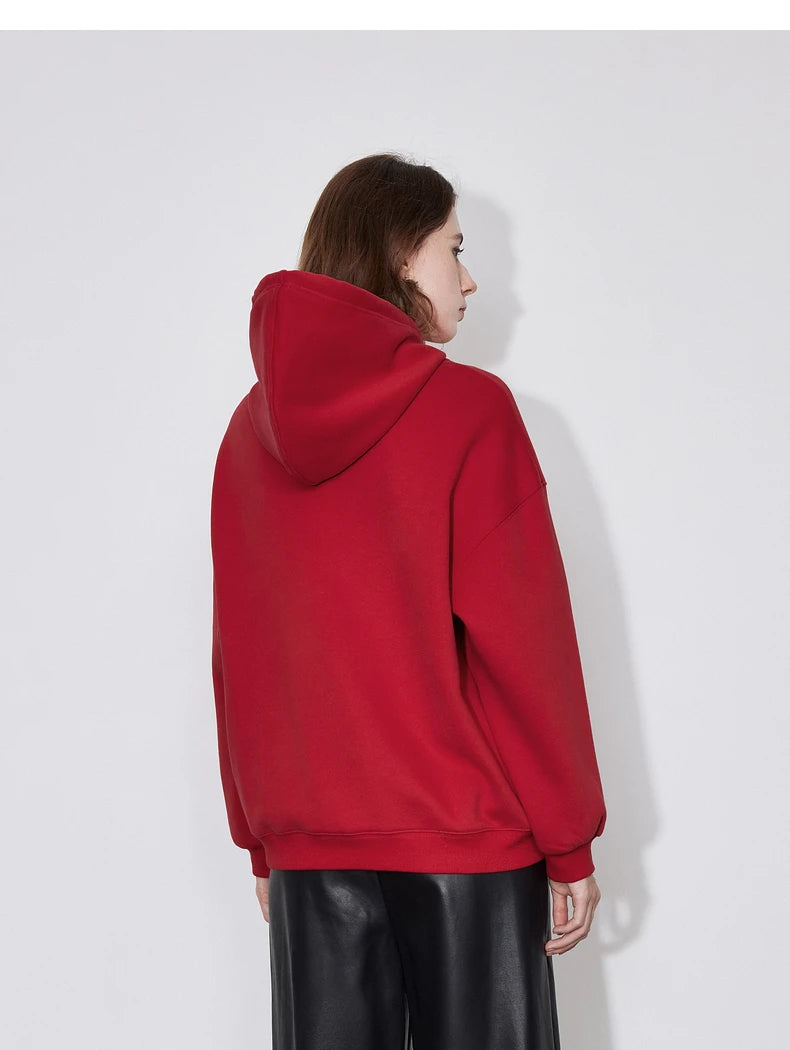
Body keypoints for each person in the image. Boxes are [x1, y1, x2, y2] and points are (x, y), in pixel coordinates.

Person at [210, 152, 607, 1050]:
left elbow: (241, 652)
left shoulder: (247, 431)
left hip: (312, 854)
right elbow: (526, 648)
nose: (469, 280)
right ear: (399, 255)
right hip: (466, 847)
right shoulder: (471, 410)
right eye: (454, 249)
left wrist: (263, 839)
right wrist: (570, 840)